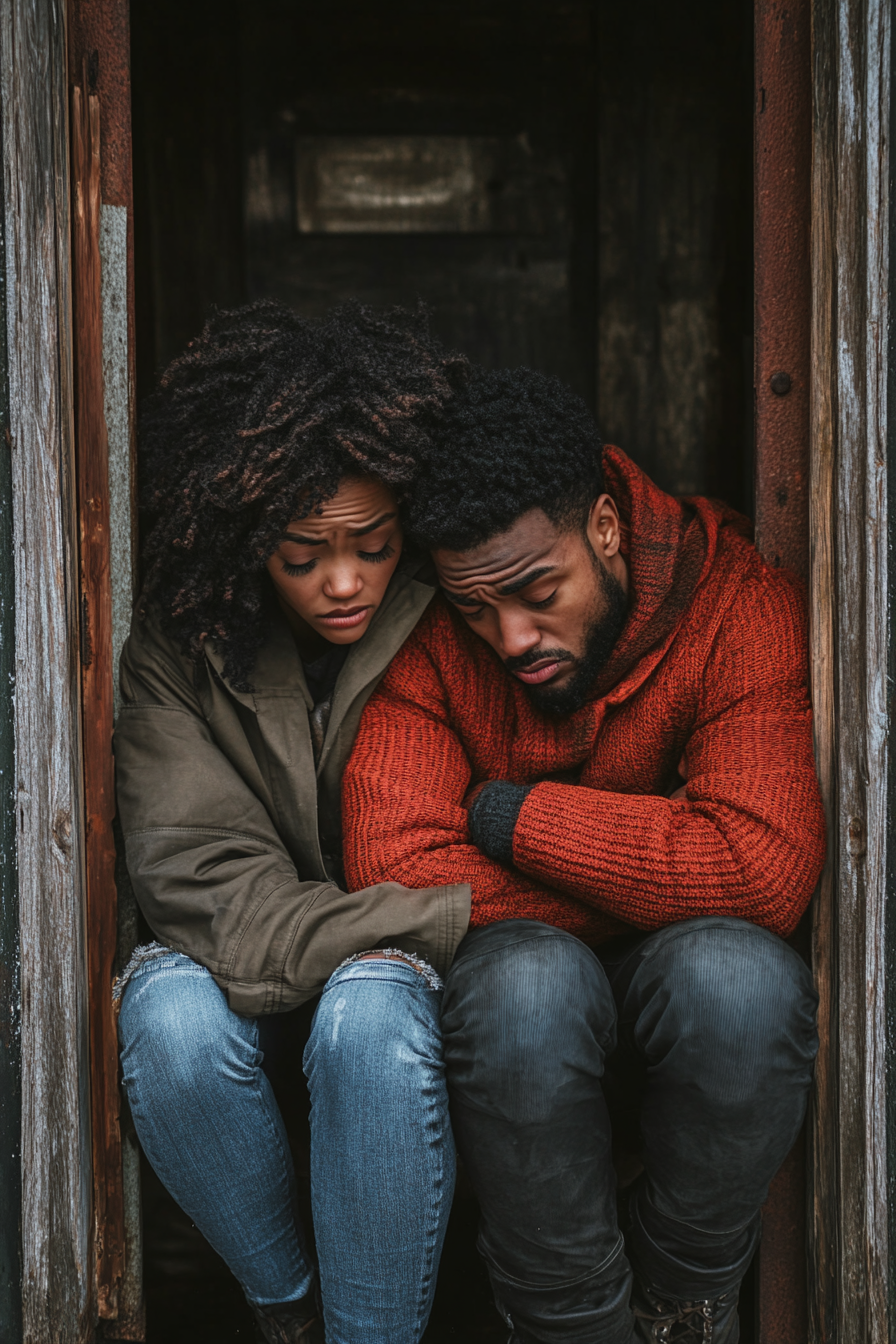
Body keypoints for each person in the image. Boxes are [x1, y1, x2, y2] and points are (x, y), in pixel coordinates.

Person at [342, 366, 825, 1343]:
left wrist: (509, 819)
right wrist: (673, 863)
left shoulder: (736, 602)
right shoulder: (438, 630)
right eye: (479, 608)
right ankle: (567, 1327)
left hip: (674, 976)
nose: (510, 636)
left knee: (737, 982)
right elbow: (390, 865)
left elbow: (764, 873)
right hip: (511, 975)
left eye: (536, 591)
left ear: (603, 526)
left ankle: (682, 1303)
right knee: (530, 989)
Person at [113, 300, 472, 1344]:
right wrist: (442, 911)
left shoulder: (459, 606)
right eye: (302, 554)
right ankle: (291, 1318)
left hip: (417, 1019)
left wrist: (423, 937)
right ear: (238, 534)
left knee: (368, 1008)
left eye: (373, 543)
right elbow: (211, 891)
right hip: (251, 989)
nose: (345, 580)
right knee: (166, 1015)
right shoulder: (179, 648)